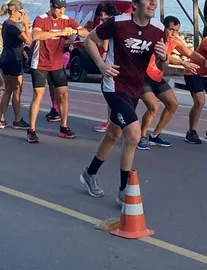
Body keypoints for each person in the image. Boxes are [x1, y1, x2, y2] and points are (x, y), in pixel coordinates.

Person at [79, 0, 168, 203]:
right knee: (134, 135)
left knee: (113, 134)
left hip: (135, 88)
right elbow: (89, 41)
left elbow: (163, 65)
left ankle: (89, 174)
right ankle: (123, 191)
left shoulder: (158, 29)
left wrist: (164, 58)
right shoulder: (118, 23)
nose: (153, 2)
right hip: (114, 85)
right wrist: (102, 66)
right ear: (135, 5)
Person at [137, 15, 207, 150]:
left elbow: (190, 54)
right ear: (164, 28)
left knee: (173, 104)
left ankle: (155, 135)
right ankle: (142, 137)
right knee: (153, 107)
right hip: (143, 77)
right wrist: (182, 63)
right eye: (170, 29)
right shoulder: (155, 38)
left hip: (156, 77)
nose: (173, 33)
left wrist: (204, 61)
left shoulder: (174, 40)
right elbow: (164, 58)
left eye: (176, 31)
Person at [27, 0, 88, 143]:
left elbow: (85, 32)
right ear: (51, 7)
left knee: (64, 94)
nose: (61, 12)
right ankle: (31, 130)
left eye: (63, 10)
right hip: (40, 63)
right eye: (59, 9)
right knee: (38, 95)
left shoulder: (66, 20)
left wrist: (75, 31)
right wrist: (60, 32)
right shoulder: (41, 19)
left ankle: (64, 126)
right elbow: (36, 35)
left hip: (57, 63)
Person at [0, 0, 31, 129]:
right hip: (13, 60)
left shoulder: (6, 23)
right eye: (22, 11)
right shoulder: (14, 25)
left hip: (5, 58)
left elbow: (12, 42)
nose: (23, 13)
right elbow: (28, 40)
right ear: (15, 10)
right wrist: (26, 24)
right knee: (17, 90)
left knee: (8, 90)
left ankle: (2, 119)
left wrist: (22, 51)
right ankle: (17, 120)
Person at [90, 3, 122, 133]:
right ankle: (113, 122)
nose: (101, 20)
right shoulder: (122, 22)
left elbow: (104, 46)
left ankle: (112, 122)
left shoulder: (109, 26)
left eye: (102, 18)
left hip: (110, 64)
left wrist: (95, 41)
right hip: (123, 64)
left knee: (111, 93)